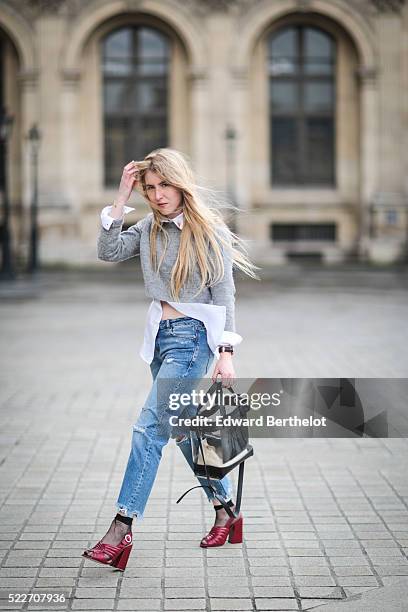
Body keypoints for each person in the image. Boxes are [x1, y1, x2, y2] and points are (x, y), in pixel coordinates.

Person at [82, 148, 258, 571]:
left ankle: (121, 529)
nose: (158, 196)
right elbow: (108, 252)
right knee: (181, 433)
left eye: (165, 186)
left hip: (193, 341)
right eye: (150, 188)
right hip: (160, 340)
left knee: (148, 430)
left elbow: (225, 294)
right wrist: (121, 198)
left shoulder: (208, 231)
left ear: (181, 184)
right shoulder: (148, 227)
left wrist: (226, 353)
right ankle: (227, 509)